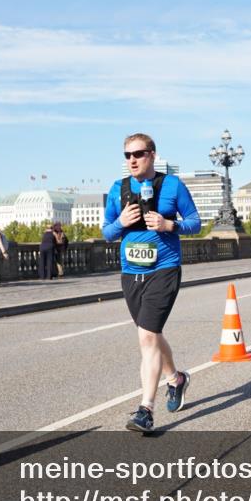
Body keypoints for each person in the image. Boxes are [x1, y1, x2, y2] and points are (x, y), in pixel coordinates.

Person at [104, 132, 201, 433]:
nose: (132, 160)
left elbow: (196, 222)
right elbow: (107, 232)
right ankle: (176, 378)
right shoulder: (118, 189)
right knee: (153, 334)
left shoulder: (173, 185)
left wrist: (169, 224)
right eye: (127, 155)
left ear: (152, 155)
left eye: (138, 154)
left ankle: (145, 409)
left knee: (146, 336)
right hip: (131, 272)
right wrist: (120, 222)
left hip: (164, 269)